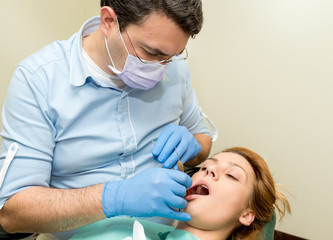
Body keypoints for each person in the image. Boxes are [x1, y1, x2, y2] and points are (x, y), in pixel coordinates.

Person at [0, 0, 215, 239]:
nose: (161, 69)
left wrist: (193, 147)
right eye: (151, 53)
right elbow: (13, 213)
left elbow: (202, 140)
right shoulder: (38, 80)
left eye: (171, 57)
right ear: (108, 21)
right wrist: (114, 197)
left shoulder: (173, 68)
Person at [69, 146, 291, 240]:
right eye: (204, 167)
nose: (208, 170)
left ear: (246, 214)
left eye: (232, 175)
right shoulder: (124, 224)